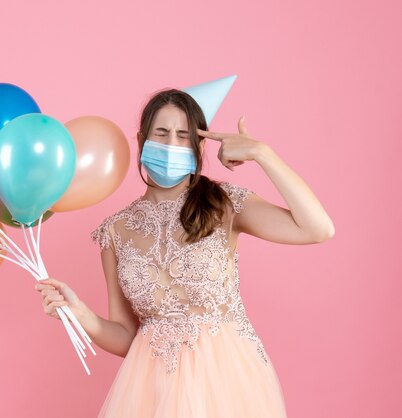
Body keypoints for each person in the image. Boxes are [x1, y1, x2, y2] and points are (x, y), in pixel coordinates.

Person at [34, 89, 334, 417]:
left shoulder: (225, 204)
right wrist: (79, 314)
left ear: (200, 146)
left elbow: (317, 229)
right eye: (161, 133)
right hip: (151, 393)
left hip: (226, 387)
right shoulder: (115, 231)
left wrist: (263, 153)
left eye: (183, 135)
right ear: (141, 140)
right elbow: (126, 336)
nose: (172, 144)